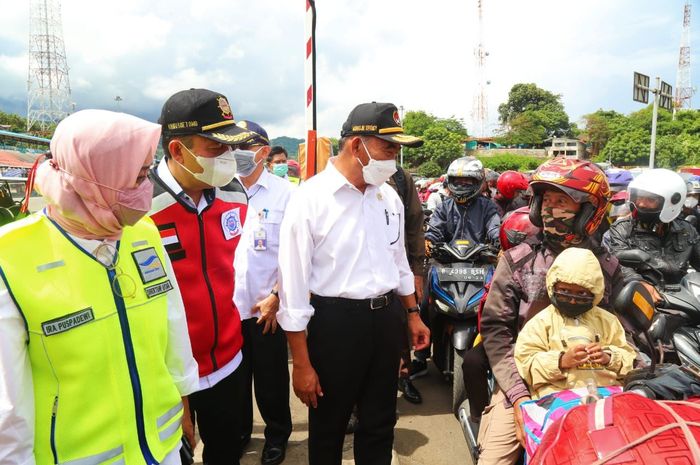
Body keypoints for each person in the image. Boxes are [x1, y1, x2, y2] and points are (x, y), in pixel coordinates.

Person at [0, 110, 199, 464]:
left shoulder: (143, 233)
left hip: (163, 449)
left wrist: (184, 407)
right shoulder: (10, 256)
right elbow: (7, 404)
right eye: (137, 178)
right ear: (96, 177)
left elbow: (173, 326)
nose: (146, 190)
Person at [276, 101, 430, 465]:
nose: (394, 159)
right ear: (357, 145)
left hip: (385, 318)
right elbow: (293, 289)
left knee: (380, 421)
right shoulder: (310, 200)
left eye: (397, 151)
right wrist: (301, 362)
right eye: (388, 149)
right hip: (335, 324)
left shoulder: (387, 195)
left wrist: (411, 313)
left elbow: (399, 262)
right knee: (329, 425)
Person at [478, 157, 626, 465]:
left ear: (589, 210)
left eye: (562, 201)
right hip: (525, 379)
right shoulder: (517, 260)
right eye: (546, 200)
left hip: (594, 384)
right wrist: (518, 398)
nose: (549, 209)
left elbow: (621, 334)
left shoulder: (609, 266)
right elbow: (496, 331)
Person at [149, 88, 254, 464]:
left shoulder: (234, 194)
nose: (229, 158)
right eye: (216, 148)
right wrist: (175, 391)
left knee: (227, 453)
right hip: (165, 374)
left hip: (227, 363)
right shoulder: (140, 206)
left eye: (231, 147)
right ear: (178, 151)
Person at [233, 120, 294, 465]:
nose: (236, 153)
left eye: (245, 146)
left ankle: (276, 436)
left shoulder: (285, 194)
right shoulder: (220, 190)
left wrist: (276, 296)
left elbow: (295, 256)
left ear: (263, 151)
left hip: (266, 307)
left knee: (271, 379)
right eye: (232, 146)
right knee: (235, 381)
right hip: (228, 309)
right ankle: (241, 434)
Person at [514, 247, 635, 399]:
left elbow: (629, 359)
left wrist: (609, 357)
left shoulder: (608, 321)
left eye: (582, 294)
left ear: (595, 292)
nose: (572, 300)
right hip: (558, 399)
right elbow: (526, 364)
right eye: (565, 292)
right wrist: (561, 361)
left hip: (607, 395)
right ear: (553, 287)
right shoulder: (540, 323)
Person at [604, 168, 700, 286]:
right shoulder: (623, 229)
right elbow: (618, 263)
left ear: (672, 202)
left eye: (650, 199)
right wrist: (639, 283)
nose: (641, 203)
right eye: (639, 197)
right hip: (640, 295)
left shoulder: (686, 230)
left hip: (681, 297)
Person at [388, 166, 427, 404]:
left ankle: (404, 375)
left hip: (398, 268)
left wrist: (418, 272)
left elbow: (414, 226)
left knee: (402, 326)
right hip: (352, 280)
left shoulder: (401, 178)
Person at [425, 157, 500, 248]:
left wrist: (499, 240)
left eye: (467, 180)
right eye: (458, 181)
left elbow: (494, 228)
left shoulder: (487, 206)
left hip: (479, 258)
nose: (461, 184)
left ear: (477, 181)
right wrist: (428, 241)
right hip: (447, 258)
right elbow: (435, 230)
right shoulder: (444, 207)